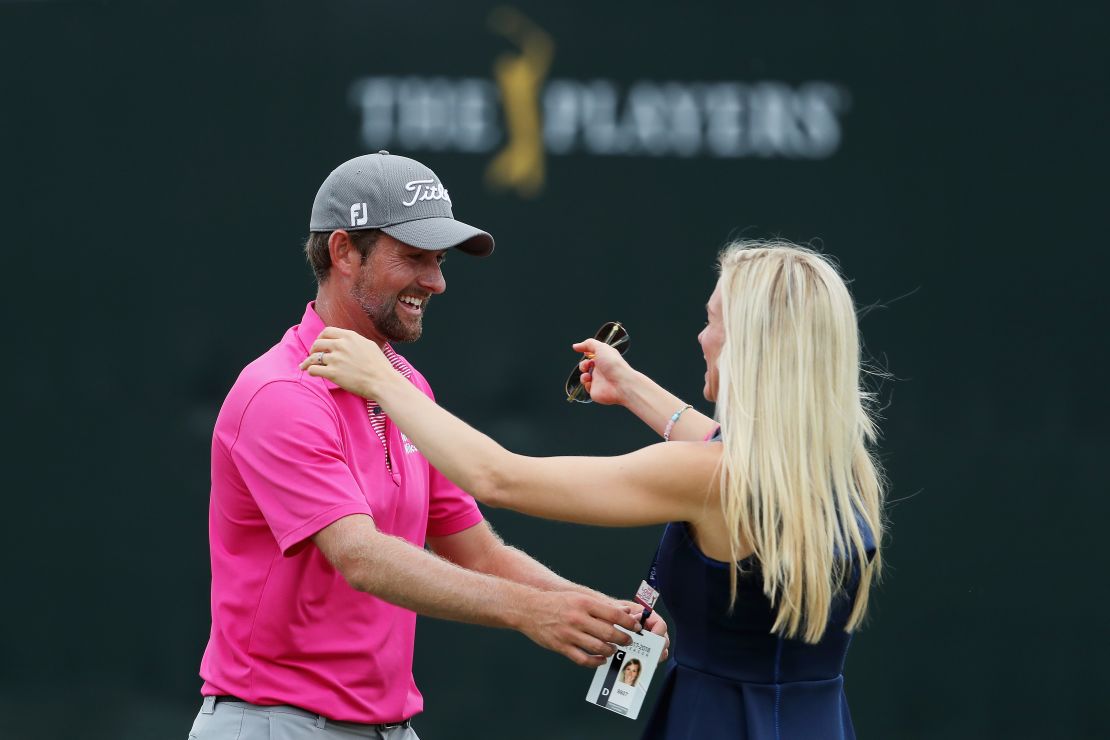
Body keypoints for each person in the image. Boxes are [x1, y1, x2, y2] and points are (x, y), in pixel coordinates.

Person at [301, 241, 886, 740]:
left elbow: (497, 477)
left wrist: (381, 379)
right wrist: (630, 387)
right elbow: (716, 438)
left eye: (714, 321)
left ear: (751, 347)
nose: (702, 337)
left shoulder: (709, 477)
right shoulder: (835, 467)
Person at [189, 151, 666, 740]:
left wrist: (598, 613)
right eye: (413, 258)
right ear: (342, 252)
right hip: (274, 724)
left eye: (438, 262)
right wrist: (532, 612)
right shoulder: (280, 392)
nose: (436, 282)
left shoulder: (404, 386)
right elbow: (360, 557)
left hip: (388, 727)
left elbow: (480, 553)